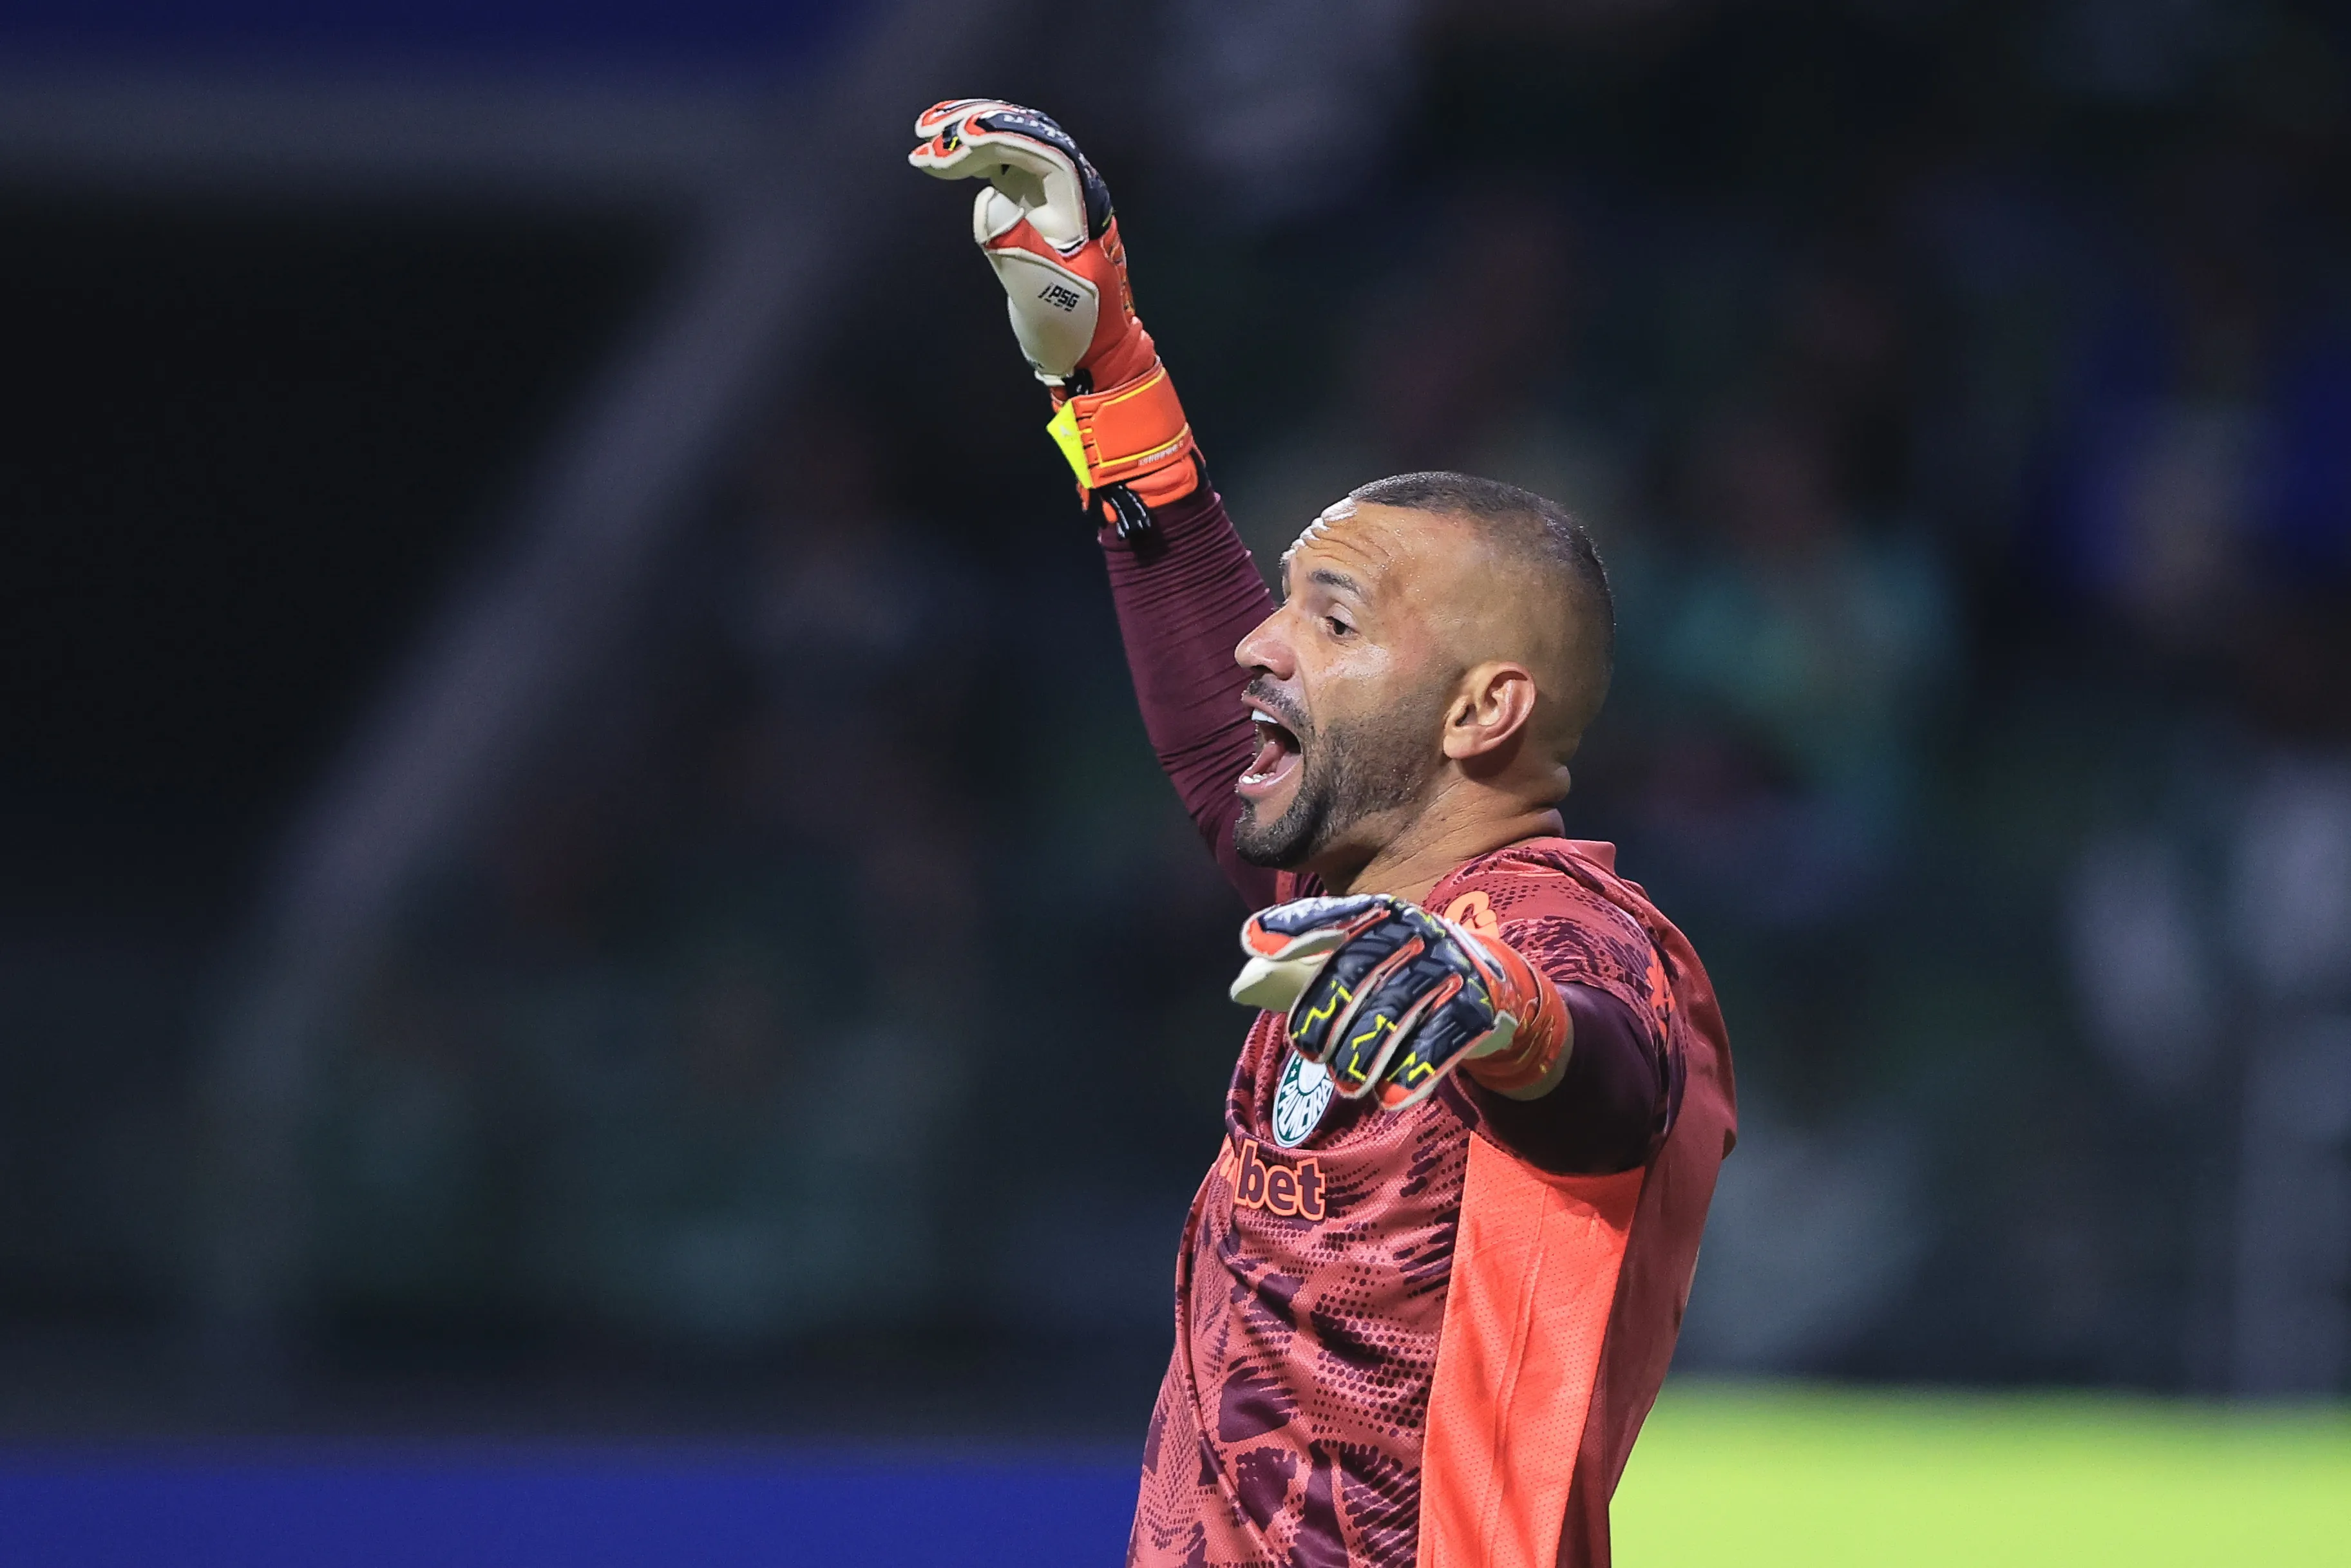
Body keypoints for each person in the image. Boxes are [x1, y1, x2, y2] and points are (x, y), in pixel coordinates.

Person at [911, 100, 1736, 1568]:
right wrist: (1105, 364)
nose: (1259, 648)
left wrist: (1501, 1014)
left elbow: (1612, 1077)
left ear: (1485, 711)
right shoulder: (1339, 907)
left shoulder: (1556, 934)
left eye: (1331, 617)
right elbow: (1218, 736)